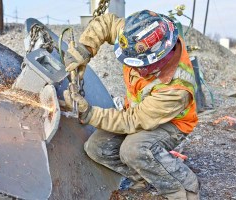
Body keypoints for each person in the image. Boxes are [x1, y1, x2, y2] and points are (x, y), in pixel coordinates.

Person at [63, 10, 199, 200]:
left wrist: (89, 114)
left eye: (139, 65)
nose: (133, 69)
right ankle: (143, 177)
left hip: (173, 123)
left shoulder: (176, 88)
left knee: (132, 150)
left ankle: (181, 188)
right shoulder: (139, 36)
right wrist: (85, 48)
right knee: (96, 147)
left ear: (159, 57)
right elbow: (107, 23)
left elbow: (133, 120)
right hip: (139, 110)